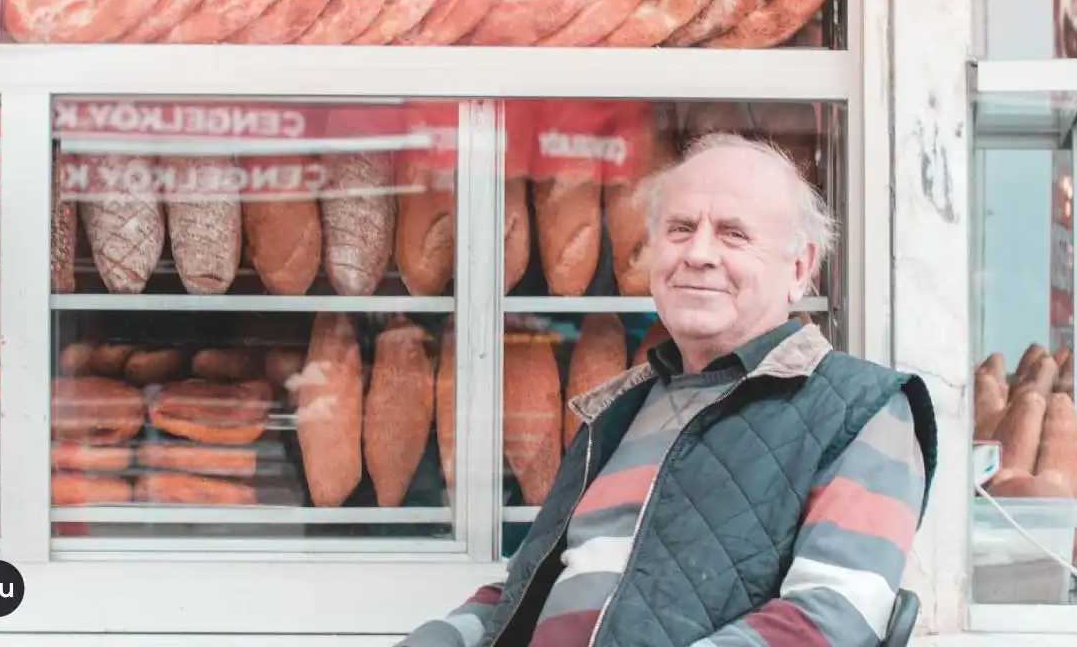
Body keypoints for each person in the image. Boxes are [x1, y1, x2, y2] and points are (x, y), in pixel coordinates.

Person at [400, 132, 937, 647]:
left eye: (733, 234)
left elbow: (833, 616)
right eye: (680, 229)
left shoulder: (866, 410)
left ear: (799, 269)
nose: (698, 253)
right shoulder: (622, 411)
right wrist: (445, 636)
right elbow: (526, 591)